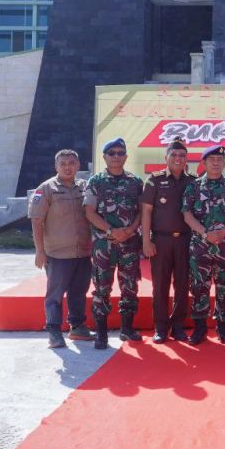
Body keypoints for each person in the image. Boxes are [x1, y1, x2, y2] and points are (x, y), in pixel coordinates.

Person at [28, 149, 93, 349]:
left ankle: (78, 327)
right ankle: (54, 331)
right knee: (55, 295)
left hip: (83, 251)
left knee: (79, 291)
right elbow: (36, 221)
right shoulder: (46, 189)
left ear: (78, 165)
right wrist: (40, 251)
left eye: (71, 163)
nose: (67, 167)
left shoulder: (84, 187)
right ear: (56, 166)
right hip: (57, 254)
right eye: (63, 164)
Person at [83, 137, 144, 350]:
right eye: (112, 153)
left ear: (126, 157)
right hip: (104, 245)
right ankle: (101, 334)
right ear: (104, 157)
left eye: (120, 153)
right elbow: (89, 212)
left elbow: (141, 212)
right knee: (102, 288)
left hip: (129, 243)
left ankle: (127, 328)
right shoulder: (96, 182)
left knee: (130, 286)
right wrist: (111, 231)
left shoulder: (135, 182)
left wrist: (130, 230)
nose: (116, 157)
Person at [182, 145, 225, 345]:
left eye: (219, 159)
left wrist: (223, 232)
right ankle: (200, 328)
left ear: (224, 163)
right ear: (204, 163)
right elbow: (187, 214)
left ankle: (223, 327)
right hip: (201, 245)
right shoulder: (193, 187)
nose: (216, 163)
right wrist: (205, 234)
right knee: (199, 286)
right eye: (212, 160)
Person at [141, 137, 196, 343]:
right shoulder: (154, 180)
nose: (177, 158)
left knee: (182, 285)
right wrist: (146, 241)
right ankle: (161, 327)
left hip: (185, 240)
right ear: (166, 157)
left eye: (182, 155)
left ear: (187, 159)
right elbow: (146, 212)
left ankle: (178, 326)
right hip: (161, 241)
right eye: (173, 155)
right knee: (160, 285)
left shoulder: (193, 182)